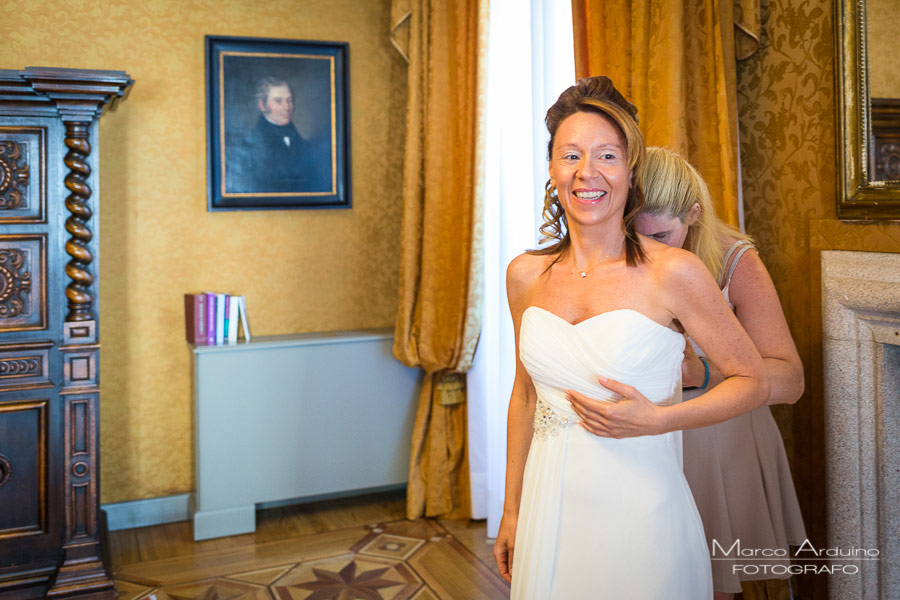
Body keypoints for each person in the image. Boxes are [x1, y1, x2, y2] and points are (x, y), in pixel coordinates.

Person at [492, 76, 769, 599]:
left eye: (607, 156)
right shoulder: (523, 275)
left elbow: (752, 381)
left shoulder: (674, 272)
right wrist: (512, 510)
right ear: (551, 170)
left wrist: (661, 419)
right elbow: (525, 395)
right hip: (549, 513)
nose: (587, 172)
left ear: (630, 171)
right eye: (570, 155)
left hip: (644, 513)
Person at [633, 146, 806, 599]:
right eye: (637, 235)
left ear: (693, 215)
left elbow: (789, 380)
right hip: (638, 433)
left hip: (716, 440)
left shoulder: (734, 261)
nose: (649, 251)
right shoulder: (617, 255)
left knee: (706, 582)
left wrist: (704, 373)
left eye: (662, 236)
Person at [226, 76, 330, 194]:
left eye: (289, 100)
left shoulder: (305, 146)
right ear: (262, 105)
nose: (287, 107)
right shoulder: (247, 146)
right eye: (278, 101)